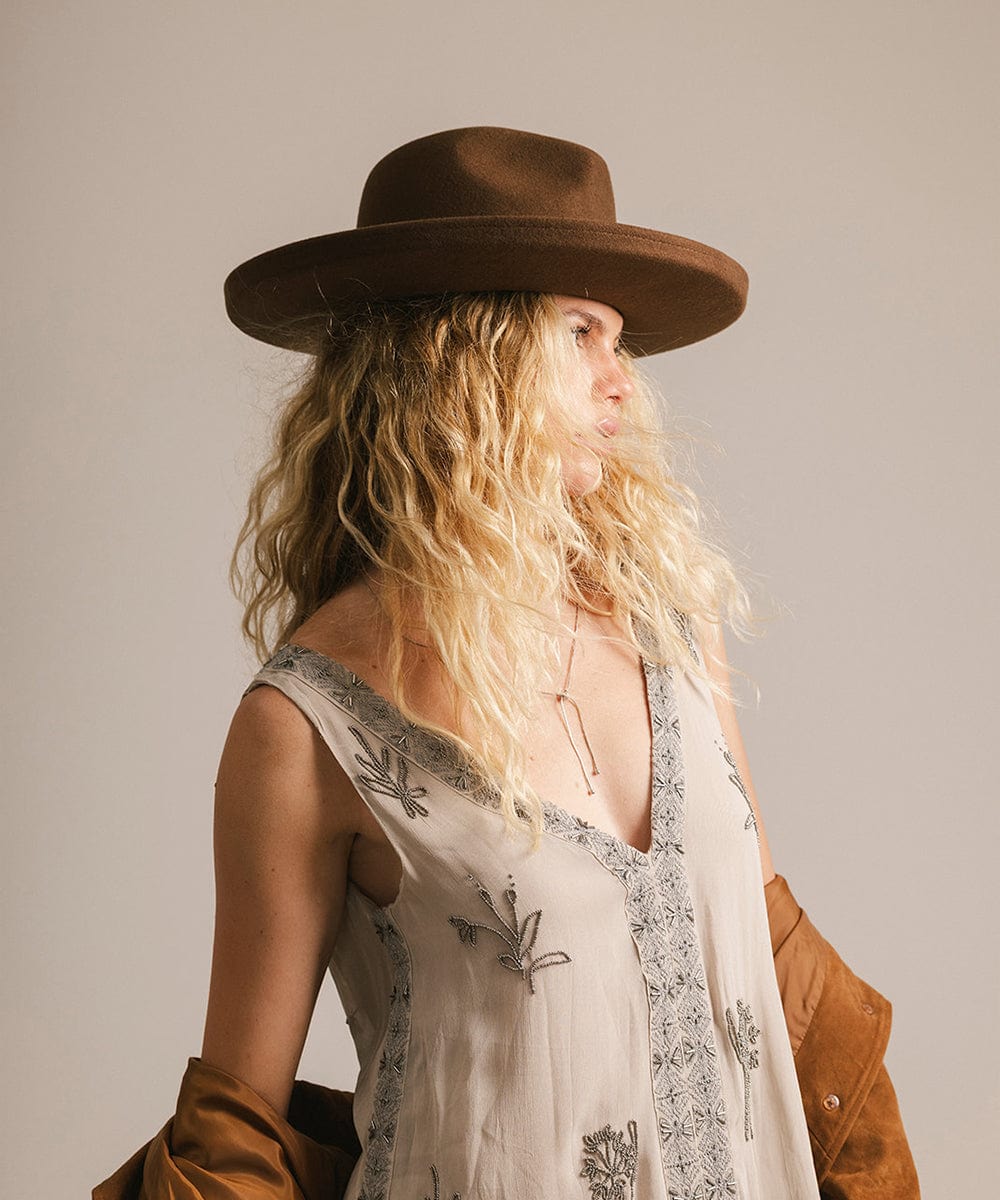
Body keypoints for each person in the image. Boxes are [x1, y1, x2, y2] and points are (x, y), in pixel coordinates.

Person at [94, 127, 920, 1199]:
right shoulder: (305, 724)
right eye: (581, 331)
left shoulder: (672, 630)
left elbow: (778, 977)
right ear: (458, 351)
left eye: (619, 340)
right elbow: (232, 1137)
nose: (621, 381)